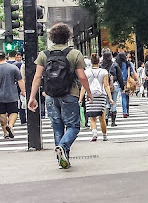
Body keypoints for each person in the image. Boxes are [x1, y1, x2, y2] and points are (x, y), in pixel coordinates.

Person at [27, 23, 92, 169]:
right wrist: (88, 92)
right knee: (73, 126)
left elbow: (37, 77)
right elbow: (82, 77)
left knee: (57, 127)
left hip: (50, 96)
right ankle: (63, 146)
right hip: (70, 94)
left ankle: (62, 158)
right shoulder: (74, 54)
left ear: (52, 37)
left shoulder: (44, 54)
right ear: (68, 37)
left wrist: (32, 97)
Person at [80, 53, 113, 142]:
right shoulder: (104, 72)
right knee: (102, 118)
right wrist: (110, 98)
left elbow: (83, 86)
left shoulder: (86, 72)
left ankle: (94, 134)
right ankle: (104, 135)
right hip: (101, 95)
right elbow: (106, 85)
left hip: (90, 96)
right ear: (99, 62)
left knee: (92, 118)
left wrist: (80, 98)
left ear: (91, 62)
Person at [0, 50, 26, 139]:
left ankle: (5, 132)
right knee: (14, 112)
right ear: (5, 57)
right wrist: (23, 91)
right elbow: (20, 80)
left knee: (2, 113)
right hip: (12, 95)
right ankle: (10, 126)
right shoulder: (13, 68)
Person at [101, 49, 124, 127]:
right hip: (114, 85)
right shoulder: (115, 65)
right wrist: (123, 87)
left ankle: (106, 118)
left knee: (106, 102)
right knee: (113, 102)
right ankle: (113, 121)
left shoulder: (101, 66)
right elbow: (120, 77)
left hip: (104, 86)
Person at [116, 51, 138, 118]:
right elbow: (132, 73)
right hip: (127, 81)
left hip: (120, 81)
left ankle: (124, 111)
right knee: (127, 96)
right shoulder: (128, 64)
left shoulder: (117, 64)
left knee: (122, 96)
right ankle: (127, 111)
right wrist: (136, 80)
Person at [7, 49, 26, 124]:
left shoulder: (10, 65)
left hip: (8, 89)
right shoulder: (17, 65)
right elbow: (20, 79)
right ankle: (20, 120)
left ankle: (7, 124)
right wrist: (23, 90)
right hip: (16, 87)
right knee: (17, 106)